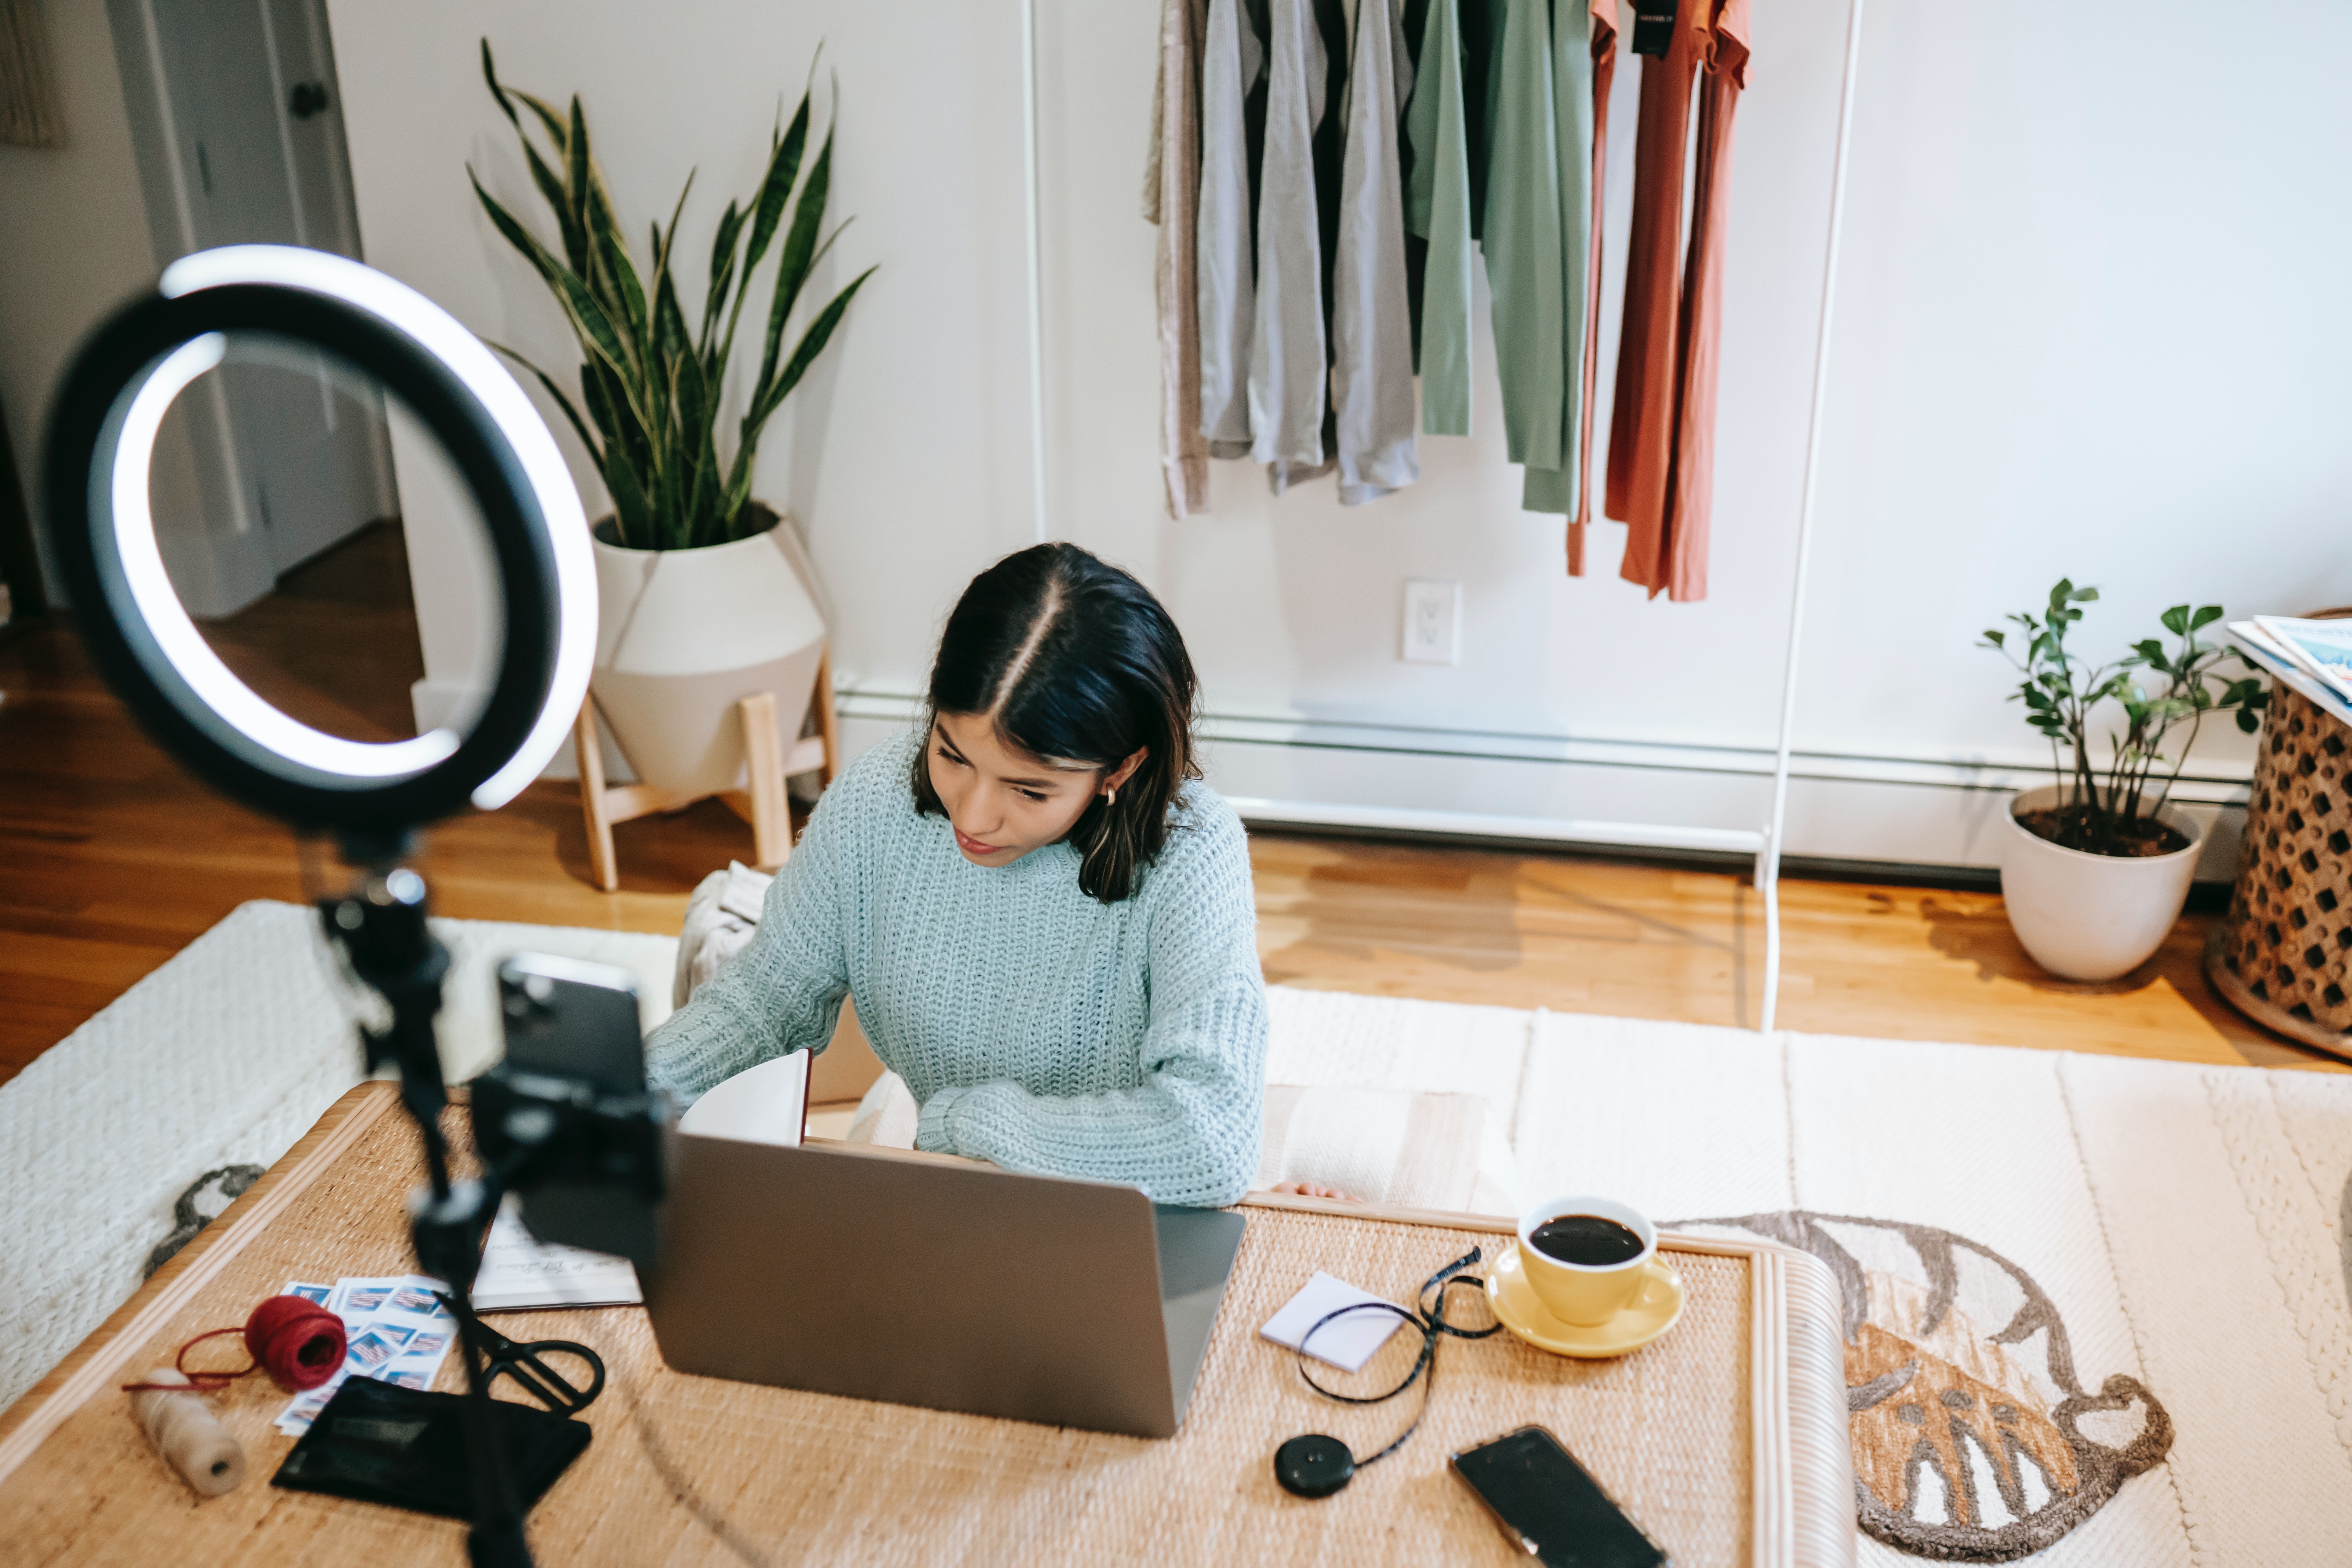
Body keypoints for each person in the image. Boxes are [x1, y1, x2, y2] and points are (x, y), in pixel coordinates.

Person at [645, 543, 1267, 1207]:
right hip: (952, 1194)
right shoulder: (876, 800)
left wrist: (964, 1123)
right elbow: (765, 1004)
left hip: (1116, 1211)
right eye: (951, 754)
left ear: (1119, 770)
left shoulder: (1194, 853)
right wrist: (609, 1094)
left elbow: (1211, 1142)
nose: (971, 815)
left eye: (1029, 791)